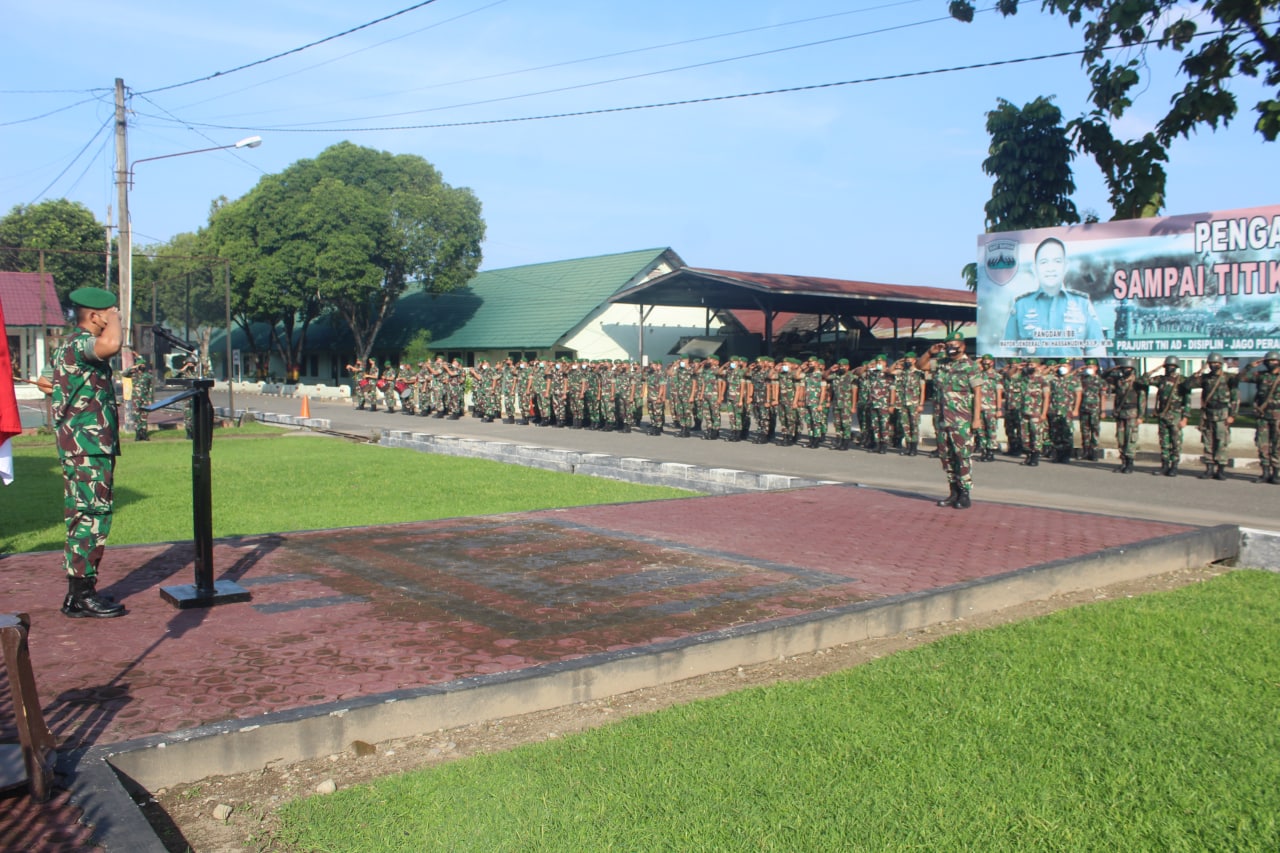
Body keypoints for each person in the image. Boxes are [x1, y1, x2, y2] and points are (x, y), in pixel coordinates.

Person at [36, 287, 127, 618]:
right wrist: (116, 317)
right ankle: (81, 596)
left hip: (81, 446)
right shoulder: (82, 344)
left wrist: (70, 397)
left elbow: (45, 383)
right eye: (107, 314)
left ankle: (78, 593)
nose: (112, 319)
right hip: (87, 448)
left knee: (84, 515)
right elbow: (112, 344)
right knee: (91, 516)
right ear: (95, 316)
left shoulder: (67, 348)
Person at [1003, 237, 1106, 358]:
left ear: (1065, 266)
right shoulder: (1021, 306)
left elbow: (1098, 354)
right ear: (1034, 268)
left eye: (1057, 261)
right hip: (1032, 375)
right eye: (1044, 262)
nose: (1050, 268)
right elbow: (1008, 355)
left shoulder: (1082, 304)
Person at [916, 332, 983, 509]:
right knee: (946, 457)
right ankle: (953, 492)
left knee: (962, 456)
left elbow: (977, 393)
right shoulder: (941, 363)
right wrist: (930, 352)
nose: (952, 348)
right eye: (949, 345)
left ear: (963, 346)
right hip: (941, 419)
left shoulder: (970, 366)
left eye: (955, 344)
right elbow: (920, 365)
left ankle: (964, 493)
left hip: (961, 420)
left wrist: (976, 419)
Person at [1192, 352, 1239, 480]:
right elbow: (1187, 385)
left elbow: (1235, 397)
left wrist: (1232, 415)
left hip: (1222, 414)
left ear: (1221, 364)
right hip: (1208, 414)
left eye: (1217, 363)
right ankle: (1209, 469)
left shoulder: (1229, 378)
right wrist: (1198, 372)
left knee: (1221, 441)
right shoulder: (1205, 378)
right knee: (1208, 442)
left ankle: (1221, 470)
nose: (1215, 365)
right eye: (1212, 363)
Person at [1143, 356, 1192, 477]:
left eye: (1172, 366)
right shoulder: (1161, 379)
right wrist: (1156, 368)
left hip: (1176, 415)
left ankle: (1174, 466)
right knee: (1164, 442)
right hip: (1163, 415)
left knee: (1176, 442)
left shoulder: (1182, 381)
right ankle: (1164, 465)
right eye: (1167, 366)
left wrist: (1185, 417)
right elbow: (1142, 380)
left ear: (1176, 368)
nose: (1169, 368)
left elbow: (1187, 401)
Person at [1241, 351, 1280, 484]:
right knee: (1262, 444)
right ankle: (1265, 472)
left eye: (1274, 361)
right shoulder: (1261, 376)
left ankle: (1276, 473)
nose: (1271, 363)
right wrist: (1249, 366)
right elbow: (1240, 378)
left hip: (1278, 417)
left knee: (1277, 445)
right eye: (1268, 361)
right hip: (1263, 416)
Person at [1104, 358, 1146, 474]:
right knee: (1121, 438)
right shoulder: (1119, 381)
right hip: (1120, 413)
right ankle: (1123, 462)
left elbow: (1142, 400)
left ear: (1132, 369)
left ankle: (1130, 463)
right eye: (1123, 368)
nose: (1125, 370)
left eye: (1127, 368)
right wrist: (1114, 368)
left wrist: (1141, 416)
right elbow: (1104, 377)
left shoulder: (1138, 383)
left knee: (1130, 438)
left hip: (1132, 413)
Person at [120, 355, 154, 442]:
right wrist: (133, 367)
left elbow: (150, 388)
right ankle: (138, 434)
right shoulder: (133, 375)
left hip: (145, 399)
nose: (143, 366)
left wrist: (150, 399)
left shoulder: (148, 376)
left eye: (144, 365)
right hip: (136, 398)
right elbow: (124, 373)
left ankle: (144, 434)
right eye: (141, 365)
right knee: (137, 417)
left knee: (144, 417)